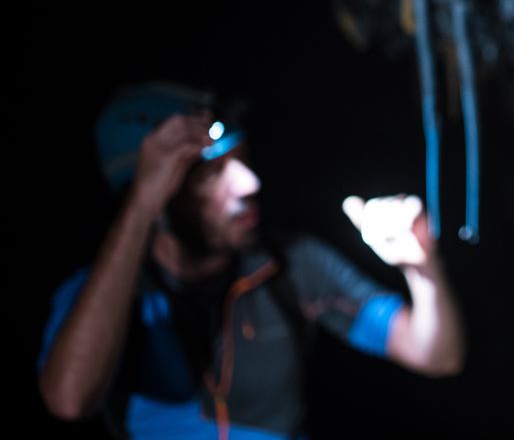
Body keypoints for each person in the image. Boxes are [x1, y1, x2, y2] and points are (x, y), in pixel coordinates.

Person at [37, 82, 465, 439]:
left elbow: (435, 354)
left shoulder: (290, 263)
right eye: (211, 173)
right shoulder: (105, 295)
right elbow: (69, 399)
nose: (249, 183)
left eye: (241, 160)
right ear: (156, 196)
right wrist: (140, 206)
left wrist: (421, 269)